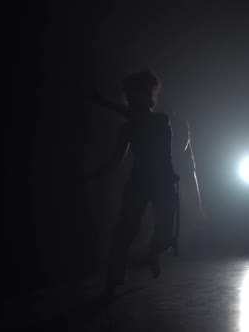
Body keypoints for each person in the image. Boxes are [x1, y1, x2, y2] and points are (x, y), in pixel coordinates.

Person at [85, 70, 179, 300]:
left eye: (138, 95)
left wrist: (105, 103)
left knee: (166, 234)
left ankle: (151, 255)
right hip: (141, 180)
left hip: (162, 180)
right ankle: (112, 281)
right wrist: (92, 174)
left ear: (147, 97)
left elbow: (140, 118)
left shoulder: (160, 119)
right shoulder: (128, 127)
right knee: (124, 231)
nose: (133, 100)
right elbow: (114, 161)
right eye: (131, 95)